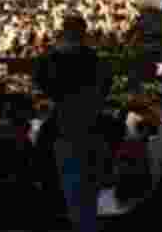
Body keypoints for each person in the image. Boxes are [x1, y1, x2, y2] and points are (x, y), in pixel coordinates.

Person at [33, 15, 110, 232]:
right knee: (87, 190)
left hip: (65, 129)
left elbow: (40, 81)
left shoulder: (51, 59)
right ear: (83, 33)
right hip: (89, 126)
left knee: (69, 188)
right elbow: (104, 85)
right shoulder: (93, 59)